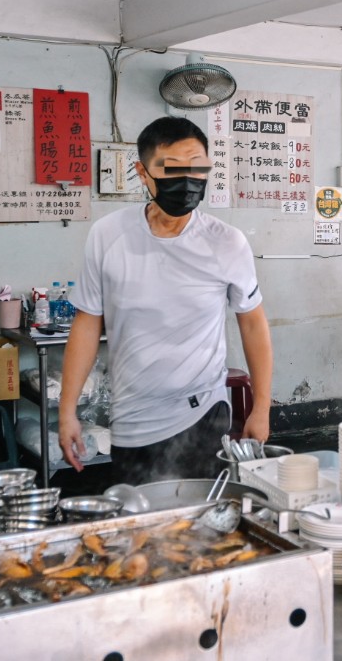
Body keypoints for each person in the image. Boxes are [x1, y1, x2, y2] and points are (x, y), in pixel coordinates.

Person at [58, 116, 273, 485]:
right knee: (141, 527)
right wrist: (67, 411)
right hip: (131, 416)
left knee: (198, 528)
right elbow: (87, 323)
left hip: (201, 413)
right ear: (143, 173)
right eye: (173, 169)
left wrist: (261, 407)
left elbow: (252, 322)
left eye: (197, 168)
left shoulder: (226, 242)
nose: (187, 180)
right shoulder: (107, 235)